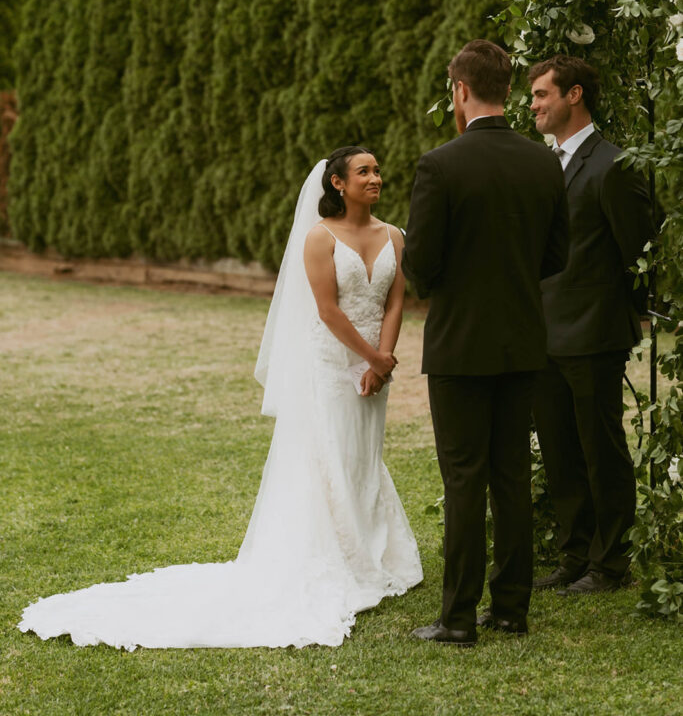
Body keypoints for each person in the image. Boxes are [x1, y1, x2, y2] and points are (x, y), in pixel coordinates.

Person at [19, 147, 422, 649]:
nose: (375, 177)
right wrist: (370, 359)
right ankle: (336, 554)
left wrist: (383, 360)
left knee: (363, 452)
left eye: (377, 170)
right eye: (363, 171)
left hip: (373, 368)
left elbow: (397, 298)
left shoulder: (395, 236)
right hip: (332, 365)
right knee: (329, 452)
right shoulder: (320, 239)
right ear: (337, 184)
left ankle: (370, 547)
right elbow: (327, 311)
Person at [403, 39, 569, 647]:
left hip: (459, 347)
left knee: (464, 480)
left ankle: (457, 618)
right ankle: (512, 610)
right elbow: (557, 255)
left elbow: (420, 264)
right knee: (511, 479)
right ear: (507, 93)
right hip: (522, 341)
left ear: (460, 91)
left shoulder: (439, 165)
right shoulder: (543, 162)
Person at [529, 55, 654, 594]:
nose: (532, 104)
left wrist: (621, 316)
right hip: (543, 332)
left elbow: (639, 252)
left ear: (573, 95)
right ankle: (574, 554)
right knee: (558, 447)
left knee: (601, 449)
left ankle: (612, 563)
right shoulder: (539, 164)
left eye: (540, 94)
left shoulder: (614, 165)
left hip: (595, 332)